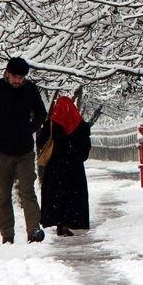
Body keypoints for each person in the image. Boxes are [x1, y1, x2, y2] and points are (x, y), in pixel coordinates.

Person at [0, 57, 47, 244]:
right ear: (7, 73)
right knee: (3, 194)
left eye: (21, 78)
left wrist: (30, 128)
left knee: (28, 191)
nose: (18, 81)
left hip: (25, 150)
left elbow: (41, 113)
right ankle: (7, 236)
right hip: (1, 150)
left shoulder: (30, 89)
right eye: (15, 77)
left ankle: (34, 231)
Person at [38, 95, 92, 235]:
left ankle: (59, 221)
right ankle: (69, 222)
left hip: (55, 167)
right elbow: (85, 147)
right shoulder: (79, 125)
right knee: (72, 196)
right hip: (74, 167)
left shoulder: (51, 124)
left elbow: (41, 142)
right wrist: (77, 157)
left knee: (56, 195)